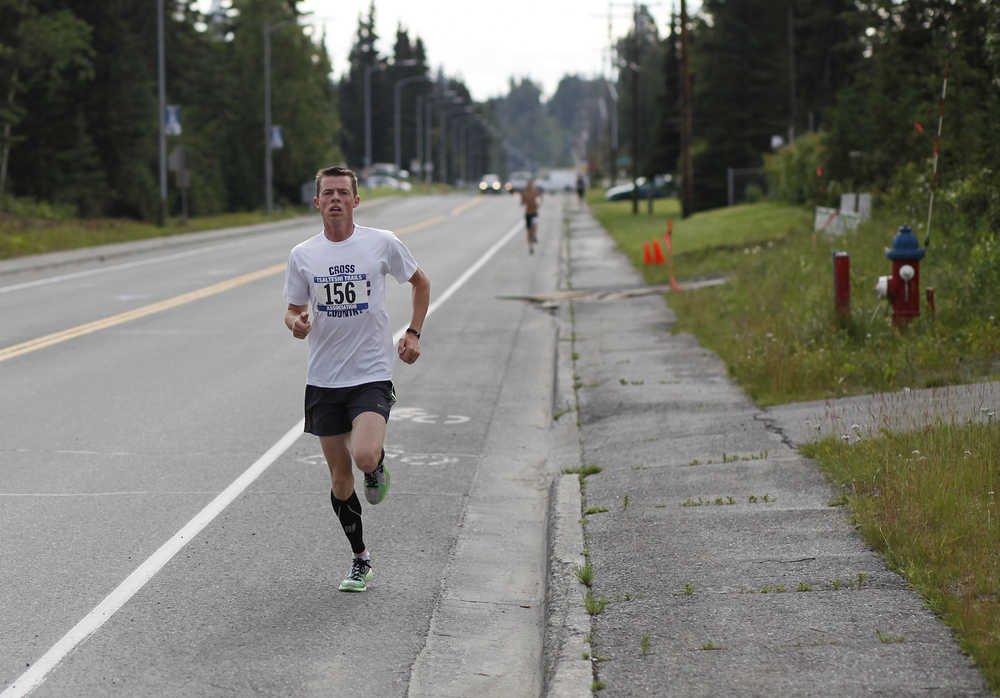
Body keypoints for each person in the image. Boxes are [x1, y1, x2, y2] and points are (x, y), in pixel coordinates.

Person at [283, 165, 430, 593]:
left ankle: (378, 464)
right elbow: (292, 309)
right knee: (339, 480)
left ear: (355, 200)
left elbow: (420, 282)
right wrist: (296, 322)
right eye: (327, 193)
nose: (334, 199)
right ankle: (360, 558)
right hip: (324, 378)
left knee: (364, 456)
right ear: (316, 202)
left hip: (370, 372)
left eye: (342, 193)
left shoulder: (381, 244)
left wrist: (414, 333)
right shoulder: (303, 255)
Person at [519, 178, 542, 254]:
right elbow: (522, 203)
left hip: (534, 213)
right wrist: (525, 202)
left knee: (534, 225)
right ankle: (531, 247)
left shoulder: (536, 191)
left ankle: (534, 234)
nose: (529, 185)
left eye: (530, 184)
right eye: (528, 184)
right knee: (529, 231)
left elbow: (540, 199)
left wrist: (538, 204)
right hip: (528, 214)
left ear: (532, 184)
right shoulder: (524, 193)